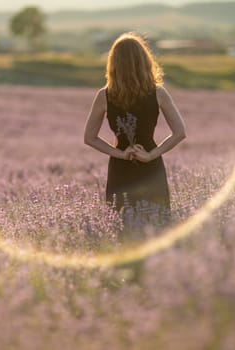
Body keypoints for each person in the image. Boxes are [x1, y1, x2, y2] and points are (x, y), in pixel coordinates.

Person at [84, 32, 186, 228]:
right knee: (157, 224)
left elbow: (89, 137)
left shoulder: (104, 95)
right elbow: (180, 132)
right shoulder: (158, 93)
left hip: (120, 167)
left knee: (121, 224)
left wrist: (121, 154)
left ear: (114, 64)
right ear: (144, 61)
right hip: (151, 165)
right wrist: (150, 155)